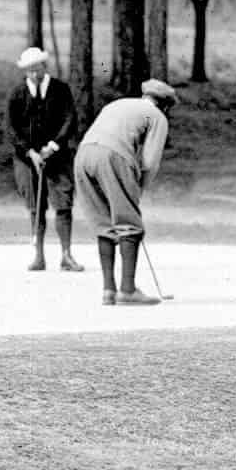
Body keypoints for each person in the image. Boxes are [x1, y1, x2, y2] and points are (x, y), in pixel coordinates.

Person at [73, 79, 178, 306]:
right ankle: (128, 290)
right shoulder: (158, 117)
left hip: (83, 155)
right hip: (112, 156)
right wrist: (137, 189)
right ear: (166, 105)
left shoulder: (117, 104)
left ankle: (108, 291)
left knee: (103, 223)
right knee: (129, 224)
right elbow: (150, 162)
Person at [6, 46, 84, 272]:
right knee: (35, 206)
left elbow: (70, 120)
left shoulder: (60, 90)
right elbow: (11, 129)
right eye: (29, 70)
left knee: (63, 204)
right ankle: (38, 256)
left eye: (37, 68)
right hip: (27, 159)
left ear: (44, 66)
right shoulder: (17, 93)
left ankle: (66, 256)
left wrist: (52, 146)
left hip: (57, 156)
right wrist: (29, 152)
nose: (34, 74)